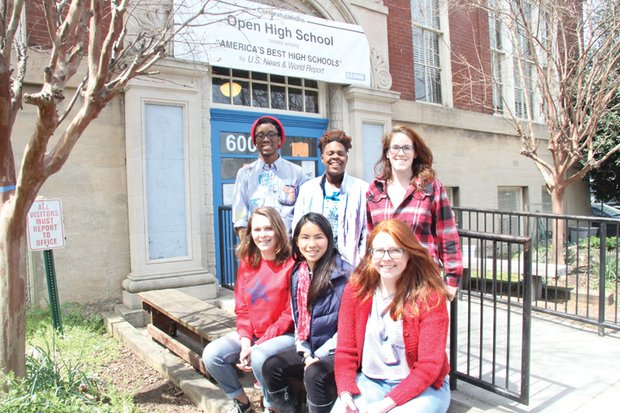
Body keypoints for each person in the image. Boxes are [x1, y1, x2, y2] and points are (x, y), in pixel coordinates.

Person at [332, 219, 451, 413]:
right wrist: (345, 392)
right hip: (371, 382)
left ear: (409, 253)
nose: (386, 258)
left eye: (395, 250)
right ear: (370, 254)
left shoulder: (429, 296)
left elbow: (429, 365)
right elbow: (346, 350)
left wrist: (386, 405)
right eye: (378, 251)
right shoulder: (356, 291)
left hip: (424, 388)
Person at [203, 207, 296, 413]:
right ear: (250, 233)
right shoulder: (248, 263)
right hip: (253, 336)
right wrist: (246, 340)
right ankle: (241, 402)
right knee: (212, 354)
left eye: (268, 229)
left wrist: (259, 344)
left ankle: (274, 407)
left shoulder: (291, 264)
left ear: (278, 230)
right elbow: (242, 308)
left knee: (261, 355)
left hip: (285, 336)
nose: (262, 235)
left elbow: (289, 315)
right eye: (257, 229)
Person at [262, 213, 352, 413]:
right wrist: (304, 351)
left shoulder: (343, 276)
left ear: (329, 239)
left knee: (314, 373)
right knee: (272, 366)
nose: (312, 244)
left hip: (341, 349)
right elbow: (298, 317)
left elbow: (349, 329)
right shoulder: (298, 272)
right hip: (311, 346)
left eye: (318, 237)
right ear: (296, 241)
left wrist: (316, 356)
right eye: (305, 237)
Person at [366, 125, 462, 297]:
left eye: (406, 148)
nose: (400, 153)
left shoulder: (431, 187)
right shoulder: (374, 190)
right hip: (386, 282)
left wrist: (452, 280)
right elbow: (370, 237)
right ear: (387, 153)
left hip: (423, 281)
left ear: (415, 152)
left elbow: (447, 234)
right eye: (395, 148)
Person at [292, 130, 368, 266]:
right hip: (316, 264)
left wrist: (360, 264)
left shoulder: (362, 189)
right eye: (330, 153)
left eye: (340, 153)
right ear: (322, 158)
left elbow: (367, 231)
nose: (336, 157)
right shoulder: (308, 189)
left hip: (351, 266)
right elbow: (298, 229)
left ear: (347, 158)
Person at [232, 116, 306, 237]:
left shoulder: (296, 172)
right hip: (258, 246)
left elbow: (304, 212)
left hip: (289, 246)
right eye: (260, 135)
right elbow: (240, 215)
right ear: (255, 142)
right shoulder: (245, 174)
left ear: (280, 139)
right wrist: (248, 247)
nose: (266, 139)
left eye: (271, 134)